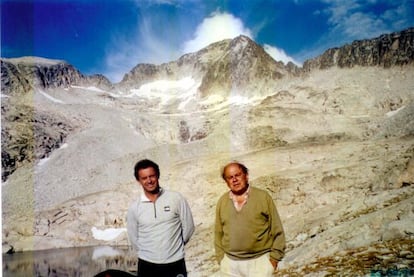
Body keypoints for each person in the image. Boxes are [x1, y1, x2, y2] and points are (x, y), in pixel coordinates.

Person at [214, 162, 286, 277]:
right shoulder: (222, 201)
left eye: (238, 175)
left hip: (259, 263)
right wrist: (221, 259)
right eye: (230, 177)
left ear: (246, 175)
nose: (234, 180)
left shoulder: (263, 197)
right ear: (226, 181)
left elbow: (277, 229)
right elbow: (218, 233)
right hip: (230, 265)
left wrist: (274, 260)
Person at [127, 159, 195, 277]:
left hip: (175, 263)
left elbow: (188, 228)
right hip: (147, 265)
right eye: (144, 178)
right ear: (139, 181)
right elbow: (134, 237)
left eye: (152, 176)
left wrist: (174, 246)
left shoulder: (176, 198)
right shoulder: (135, 207)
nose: (149, 181)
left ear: (158, 175)